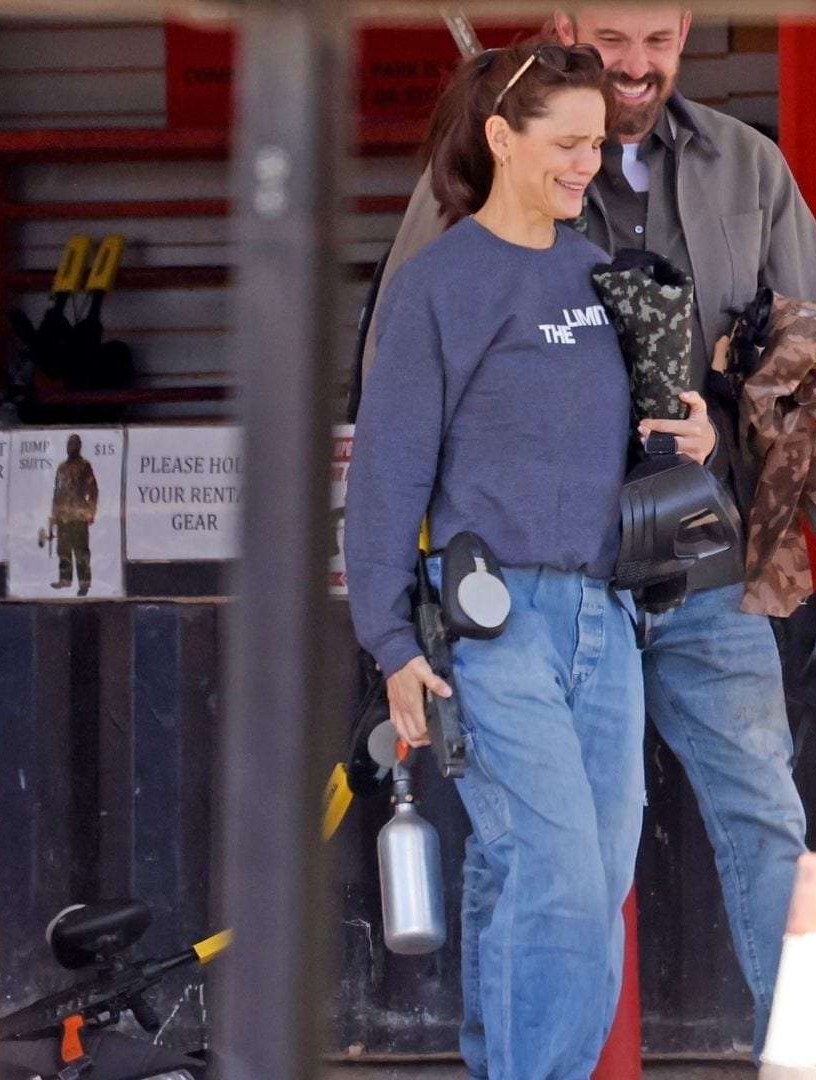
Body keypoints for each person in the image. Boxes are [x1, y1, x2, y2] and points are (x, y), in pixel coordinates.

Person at [363, 5, 816, 1059]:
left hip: (698, 567)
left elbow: (810, 348)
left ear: (686, 37)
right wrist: (400, 607)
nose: (637, 65)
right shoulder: (480, 182)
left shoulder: (744, 168)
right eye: (615, 40)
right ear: (568, 25)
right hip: (531, 578)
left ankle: (811, 1058)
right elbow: (405, 375)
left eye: (659, 43)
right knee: (522, 858)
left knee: (768, 816)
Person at [345, 41, 651, 1079]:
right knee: (559, 878)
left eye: (597, 147)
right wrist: (391, 641)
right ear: (500, 140)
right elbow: (386, 476)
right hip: (492, 622)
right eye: (566, 144)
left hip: (605, 619)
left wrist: (684, 435)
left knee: (580, 874)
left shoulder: (599, 272)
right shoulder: (440, 286)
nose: (586, 166)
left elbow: (623, 443)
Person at [50, 433, 98, 597]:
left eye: (74, 444)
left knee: (81, 550)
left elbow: (93, 490)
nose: (71, 447)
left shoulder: (85, 466)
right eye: (69, 444)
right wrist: (54, 515)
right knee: (63, 549)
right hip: (63, 515)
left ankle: (84, 582)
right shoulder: (61, 468)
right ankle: (65, 579)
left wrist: (90, 511)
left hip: (79, 515)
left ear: (79, 446)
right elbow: (56, 491)